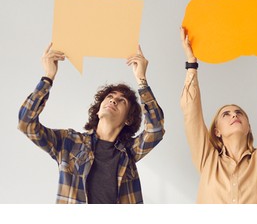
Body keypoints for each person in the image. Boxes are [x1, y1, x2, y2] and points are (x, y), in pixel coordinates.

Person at [18, 43, 164, 204]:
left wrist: (141, 80)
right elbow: (26, 123)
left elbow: (156, 129)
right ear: (98, 111)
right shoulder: (68, 142)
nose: (113, 100)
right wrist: (48, 77)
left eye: (121, 101)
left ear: (128, 119)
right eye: (110, 97)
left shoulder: (129, 151)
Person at [180, 28, 257, 203]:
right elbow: (191, 113)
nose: (234, 115)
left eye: (239, 113)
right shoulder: (207, 160)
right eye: (226, 114)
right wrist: (191, 64)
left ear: (248, 127)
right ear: (217, 131)